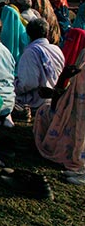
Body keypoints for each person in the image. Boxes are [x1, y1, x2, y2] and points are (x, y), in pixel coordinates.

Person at [33, 53, 85, 183]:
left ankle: (79, 163)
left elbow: (61, 106)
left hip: (74, 119)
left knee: (45, 111)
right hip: (72, 114)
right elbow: (68, 100)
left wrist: (62, 79)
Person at [15, 19, 65, 111]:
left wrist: (14, 87)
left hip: (37, 101)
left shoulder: (30, 53)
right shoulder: (56, 49)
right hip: (55, 99)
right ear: (47, 33)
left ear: (28, 34)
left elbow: (29, 83)